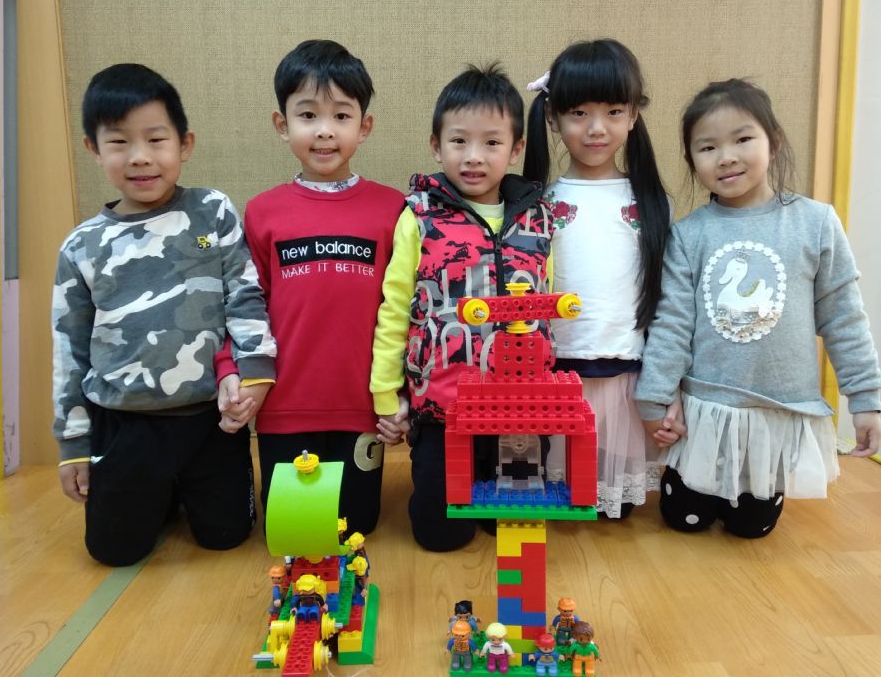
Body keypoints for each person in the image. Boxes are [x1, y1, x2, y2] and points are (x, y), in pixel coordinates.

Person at [635, 78, 881, 538]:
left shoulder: (815, 223)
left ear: (775, 142)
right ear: (692, 161)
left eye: (742, 139)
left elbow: (845, 317)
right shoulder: (689, 234)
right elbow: (671, 325)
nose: (726, 157)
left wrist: (865, 400)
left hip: (778, 411)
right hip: (706, 411)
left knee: (752, 527)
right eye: (708, 147)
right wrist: (654, 397)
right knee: (683, 520)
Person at [52, 63, 277, 566]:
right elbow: (69, 351)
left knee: (228, 536)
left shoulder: (211, 211)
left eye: (156, 140)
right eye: (119, 143)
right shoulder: (82, 246)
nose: (140, 157)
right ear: (93, 148)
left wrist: (256, 371)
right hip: (124, 424)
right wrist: (73, 444)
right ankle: (159, 493)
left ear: (184, 144)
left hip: (210, 422)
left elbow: (244, 296)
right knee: (114, 552)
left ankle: (178, 490)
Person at [215, 40, 407, 536]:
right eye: (307, 115)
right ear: (282, 125)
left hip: (362, 408)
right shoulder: (262, 211)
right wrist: (229, 370)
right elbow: (243, 304)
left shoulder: (394, 209)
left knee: (356, 528)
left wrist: (402, 396)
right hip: (284, 407)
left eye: (341, 115)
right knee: (294, 534)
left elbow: (408, 310)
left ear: (364, 126)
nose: (325, 130)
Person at [370, 64, 554, 551]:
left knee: (510, 527)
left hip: (520, 405)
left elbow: (550, 300)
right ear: (436, 145)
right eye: (459, 141)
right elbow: (395, 309)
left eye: (491, 143)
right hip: (442, 407)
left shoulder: (538, 218)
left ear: (516, 148)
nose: (474, 156)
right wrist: (387, 395)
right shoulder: (419, 215)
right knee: (440, 535)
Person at [524, 39, 678, 520]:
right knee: (554, 496)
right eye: (579, 113)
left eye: (613, 112)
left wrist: (668, 385)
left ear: (633, 115)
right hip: (555, 369)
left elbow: (668, 299)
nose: (596, 128)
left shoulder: (651, 202)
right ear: (552, 118)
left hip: (625, 370)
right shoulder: (538, 204)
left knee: (614, 508)